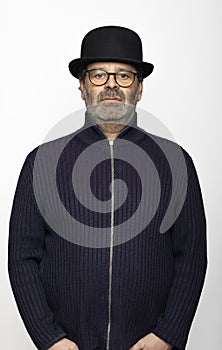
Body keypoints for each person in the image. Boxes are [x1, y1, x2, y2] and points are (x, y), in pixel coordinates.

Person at [8, 26, 207, 350]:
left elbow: (192, 256)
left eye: (124, 76)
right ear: (82, 87)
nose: (111, 85)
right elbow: (22, 257)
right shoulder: (42, 162)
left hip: (149, 345)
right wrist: (50, 339)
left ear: (139, 88)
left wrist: (168, 334)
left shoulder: (176, 162)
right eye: (99, 75)